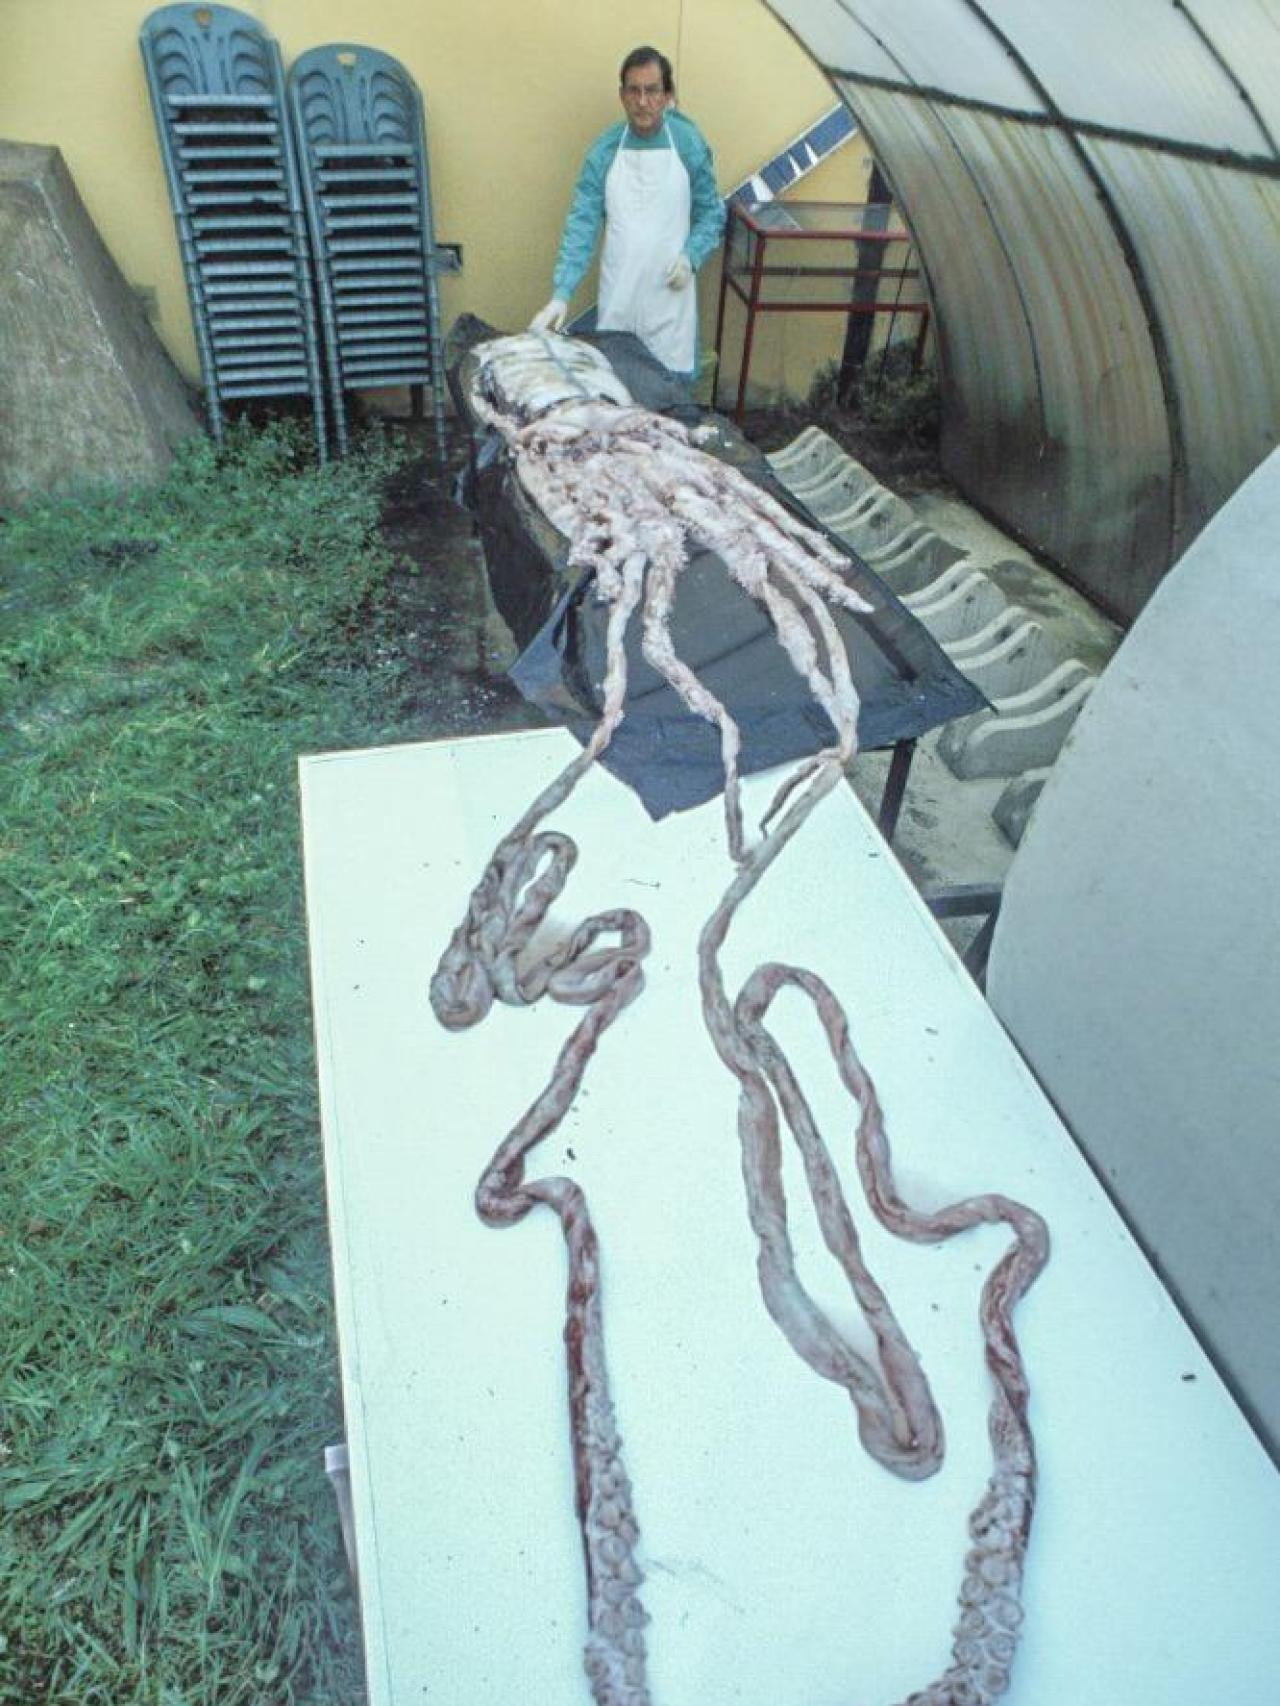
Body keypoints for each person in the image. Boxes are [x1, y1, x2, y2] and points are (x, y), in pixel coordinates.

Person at [529, 46, 726, 377]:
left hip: (670, 301)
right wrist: (561, 293)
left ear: (667, 96)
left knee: (669, 395)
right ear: (622, 95)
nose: (642, 101)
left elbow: (712, 214)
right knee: (618, 390)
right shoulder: (604, 152)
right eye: (634, 91)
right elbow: (582, 224)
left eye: (652, 90)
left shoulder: (688, 144)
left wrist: (690, 257)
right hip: (618, 299)